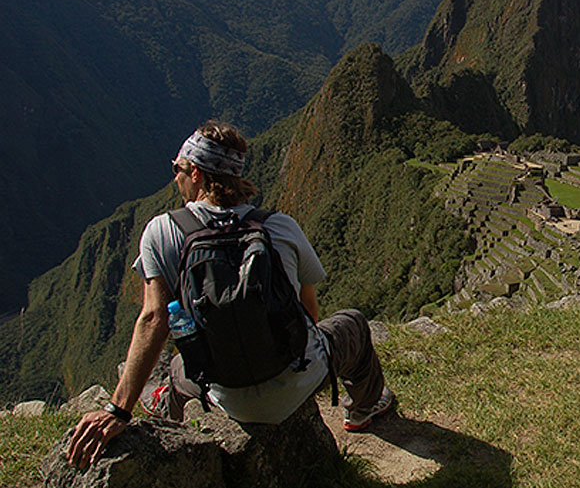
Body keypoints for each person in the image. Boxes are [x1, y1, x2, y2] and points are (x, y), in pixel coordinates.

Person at [68, 121, 393, 469]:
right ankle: (363, 409)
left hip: (224, 394)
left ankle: (170, 412)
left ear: (195, 172)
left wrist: (118, 409)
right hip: (296, 380)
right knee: (354, 324)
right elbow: (309, 311)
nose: (175, 176)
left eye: (177, 169)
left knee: (179, 366)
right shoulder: (279, 226)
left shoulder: (162, 232)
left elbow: (153, 319)